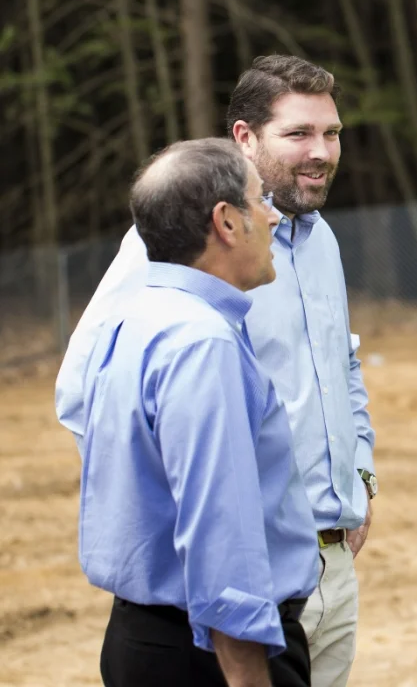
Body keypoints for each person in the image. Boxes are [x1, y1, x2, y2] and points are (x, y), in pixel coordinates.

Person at [56, 56, 377, 687]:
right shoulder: (173, 249)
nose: (321, 152)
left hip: (328, 566)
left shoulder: (322, 240)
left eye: (332, 133)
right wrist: (181, 531)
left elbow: (342, 364)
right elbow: (85, 393)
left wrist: (359, 475)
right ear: (244, 138)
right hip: (231, 586)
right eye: (299, 135)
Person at [81, 138, 318, 687]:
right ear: (227, 222)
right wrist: (247, 673)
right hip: (213, 654)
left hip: (144, 636)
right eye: (261, 200)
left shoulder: (134, 321)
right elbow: (219, 527)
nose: (274, 215)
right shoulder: (202, 343)